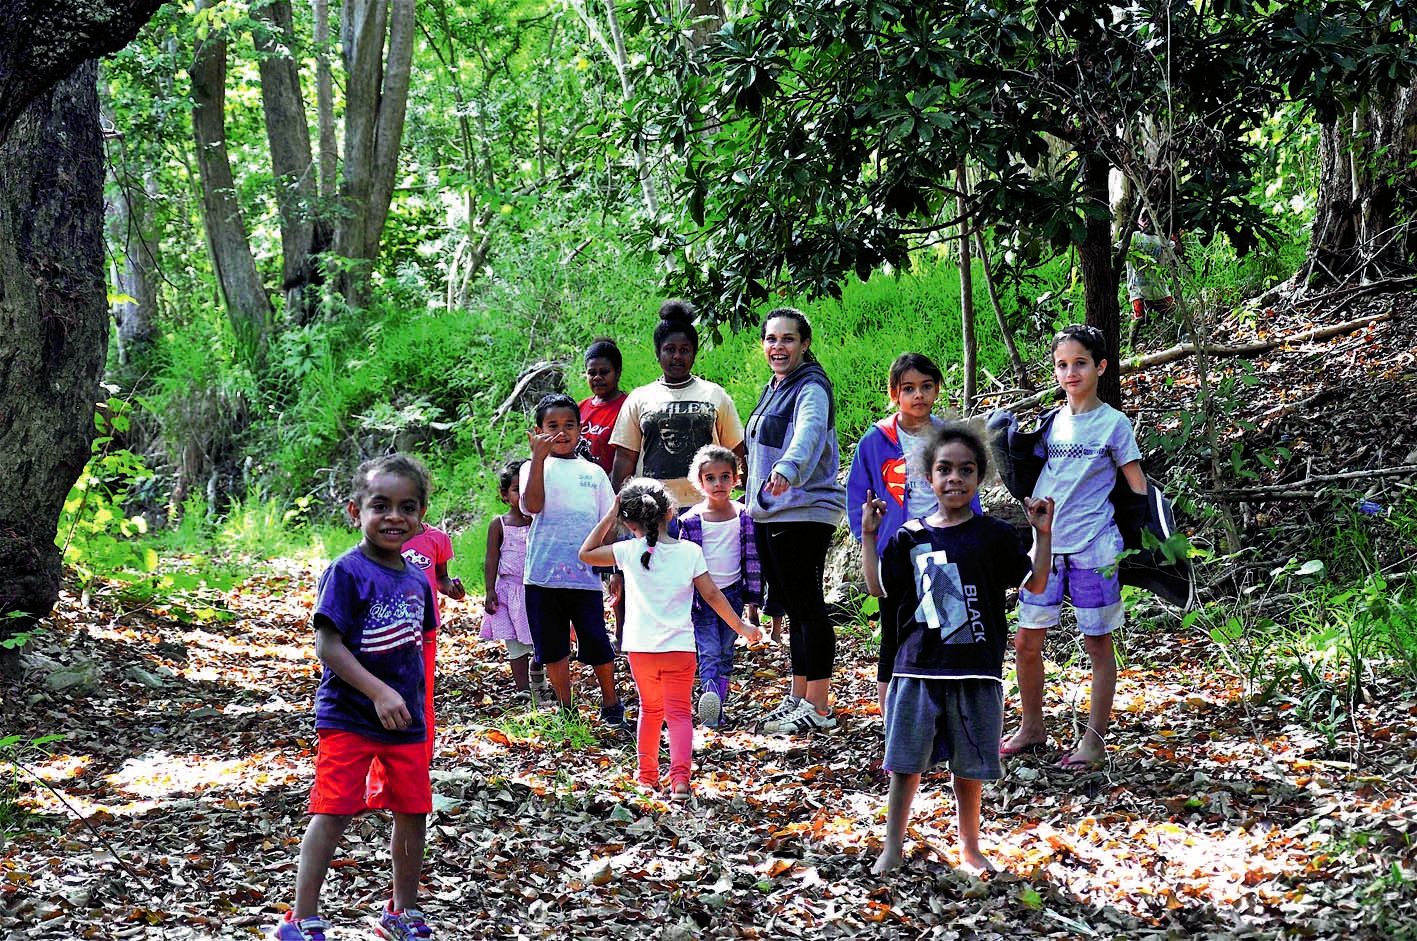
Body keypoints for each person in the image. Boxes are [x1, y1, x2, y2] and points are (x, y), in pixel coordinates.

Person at [862, 424, 1053, 875]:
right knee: (905, 764)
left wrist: (1042, 534)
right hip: (919, 669)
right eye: (944, 469)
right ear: (928, 477)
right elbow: (878, 587)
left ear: (979, 477)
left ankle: (970, 846)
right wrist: (870, 536)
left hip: (976, 671)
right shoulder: (909, 536)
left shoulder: (995, 535)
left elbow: (1037, 583)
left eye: (966, 470)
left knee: (968, 770)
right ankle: (892, 848)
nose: (954, 479)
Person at [273, 454, 438, 941]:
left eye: (407, 507)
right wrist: (378, 691)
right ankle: (301, 917)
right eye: (380, 505)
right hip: (349, 716)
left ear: (421, 515)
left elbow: (421, 647)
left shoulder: (415, 578)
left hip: (405, 720)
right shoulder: (346, 572)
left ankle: (401, 911)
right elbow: (328, 645)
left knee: (413, 811)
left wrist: (416, 705)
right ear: (355, 511)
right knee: (334, 808)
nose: (394, 516)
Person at [1000, 324, 1148, 771]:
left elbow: (1137, 487)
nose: (1070, 373)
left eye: (1080, 363)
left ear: (1100, 366)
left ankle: (1094, 742)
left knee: (1097, 646)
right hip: (1045, 546)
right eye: (1062, 365)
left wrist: (1143, 548)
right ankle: (1032, 726)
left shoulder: (1114, 424)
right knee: (1026, 641)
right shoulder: (1051, 423)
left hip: (1095, 548)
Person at [579, 478, 760, 798]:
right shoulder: (689, 553)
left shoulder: (627, 551)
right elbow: (715, 596)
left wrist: (609, 516)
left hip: (641, 650)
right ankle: (679, 781)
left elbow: (587, 553)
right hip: (680, 649)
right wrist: (742, 628)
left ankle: (647, 776)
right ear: (671, 513)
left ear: (628, 521)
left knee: (650, 711)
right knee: (678, 714)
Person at [745, 307, 847, 734]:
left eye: (788, 339)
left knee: (808, 607)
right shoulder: (777, 386)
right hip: (773, 510)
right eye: (771, 339)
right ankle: (798, 696)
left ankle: (818, 706)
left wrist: (788, 468)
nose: (778, 347)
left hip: (803, 509)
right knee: (794, 606)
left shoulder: (811, 387)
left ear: (804, 344)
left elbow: (807, 432)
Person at [521, 393, 627, 729]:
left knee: (596, 640)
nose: (562, 432)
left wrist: (613, 570)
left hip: (584, 577)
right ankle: (566, 708)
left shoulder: (593, 473)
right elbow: (533, 506)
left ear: (581, 429)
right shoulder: (530, 468)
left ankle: (611, 704)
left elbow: (607, 523)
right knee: (552, 647)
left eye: (569, 425)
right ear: (538, 431)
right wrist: (538, 460)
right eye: (552, 426)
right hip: (542, 576)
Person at [364, 502, 465, 808]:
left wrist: (453, 589)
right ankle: (379, 781)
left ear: (423, 508)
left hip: (424, 632)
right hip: (386, 632)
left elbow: (441, 579)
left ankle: (419, 766)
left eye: (412, 506)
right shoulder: (383, 540)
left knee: (422, 699)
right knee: (385, 700)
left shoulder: (437, 539)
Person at [610, 300, 747, 509]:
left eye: (684, 350)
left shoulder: (714, 394)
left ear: (694, 353)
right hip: (652, 508)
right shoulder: (639, 398)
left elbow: (736, 451)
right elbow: (625, 458)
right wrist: (620, 507)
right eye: (669, 349)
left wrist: (748, 495)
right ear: (657, 353)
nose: (677, 356)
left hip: (707, 507)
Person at [671, 444, 762, 728]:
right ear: (699, 482)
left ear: (736, 478)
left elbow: (753, 559)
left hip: (732, 593)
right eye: (710, 478)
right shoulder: (690, 521)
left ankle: (717, 705)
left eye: (725, 476)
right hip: (701, 599)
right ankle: (709, 699)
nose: (718, 483)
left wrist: (752, 605)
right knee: (709, 651)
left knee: (725, 651)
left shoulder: (744, 515)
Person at [482, 459, 539, 700]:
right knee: (515, 644)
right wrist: (489, 590)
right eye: (517, 489)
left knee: (540, 639)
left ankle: (538, 676)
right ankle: (523, 690)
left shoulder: (539, 522)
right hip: (508, 590)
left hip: (536, 591)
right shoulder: (500, 524)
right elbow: (491, 558)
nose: (523, 494)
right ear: (505, 495)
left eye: (528, 488)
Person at [1124, 214, 1179, 345]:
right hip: (1138, 288)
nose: (1147, 222)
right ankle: (1130, 347)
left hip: (1158, 287)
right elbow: (1118, 250)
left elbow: (1175, 251)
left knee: (1173, 313)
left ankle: (1178, 338)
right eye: (1143, 218)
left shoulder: (1161, 240)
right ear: (1137, 221)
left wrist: (1175, 237)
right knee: (1138, 318)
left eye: (1150, 219)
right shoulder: (1133, 237)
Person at [579, 338, 628, 476]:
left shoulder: (628, 408)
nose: (597, 378)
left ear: (618, 373)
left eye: (604, 372)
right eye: (592, 373)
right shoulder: (579, 408)